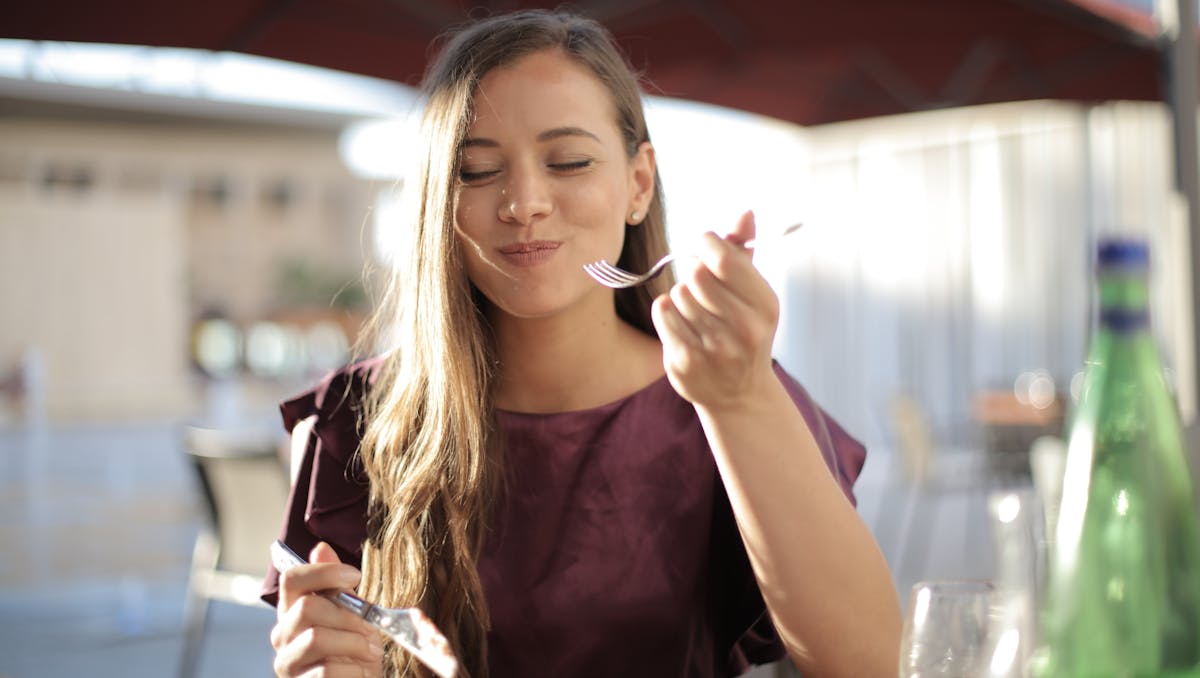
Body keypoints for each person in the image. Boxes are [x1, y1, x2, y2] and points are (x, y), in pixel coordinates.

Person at [263, 8, 901, 678]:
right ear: (438, 206)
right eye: (477, 171)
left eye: (568, 161)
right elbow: (332, 647)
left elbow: (870, 663)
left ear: (639, 184)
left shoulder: (729, 394)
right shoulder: (361, 416)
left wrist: (739, 401)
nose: (524, 202)